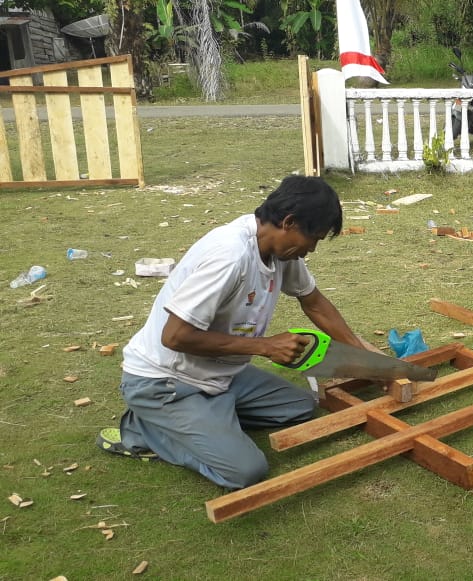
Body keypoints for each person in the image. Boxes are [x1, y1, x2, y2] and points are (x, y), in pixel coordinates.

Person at [97, 176, 367, 490]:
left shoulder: (279, 249)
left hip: (219, 373)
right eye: (313, 239)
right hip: (166, 381)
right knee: (245, 471)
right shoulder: (230, 255)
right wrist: (265, 347)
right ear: (289, 222)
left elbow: (314, 303)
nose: (311, 250)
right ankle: (142, 431)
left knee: (300, 406)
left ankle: (210, 417)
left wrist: (363, 354)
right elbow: (174, 337)